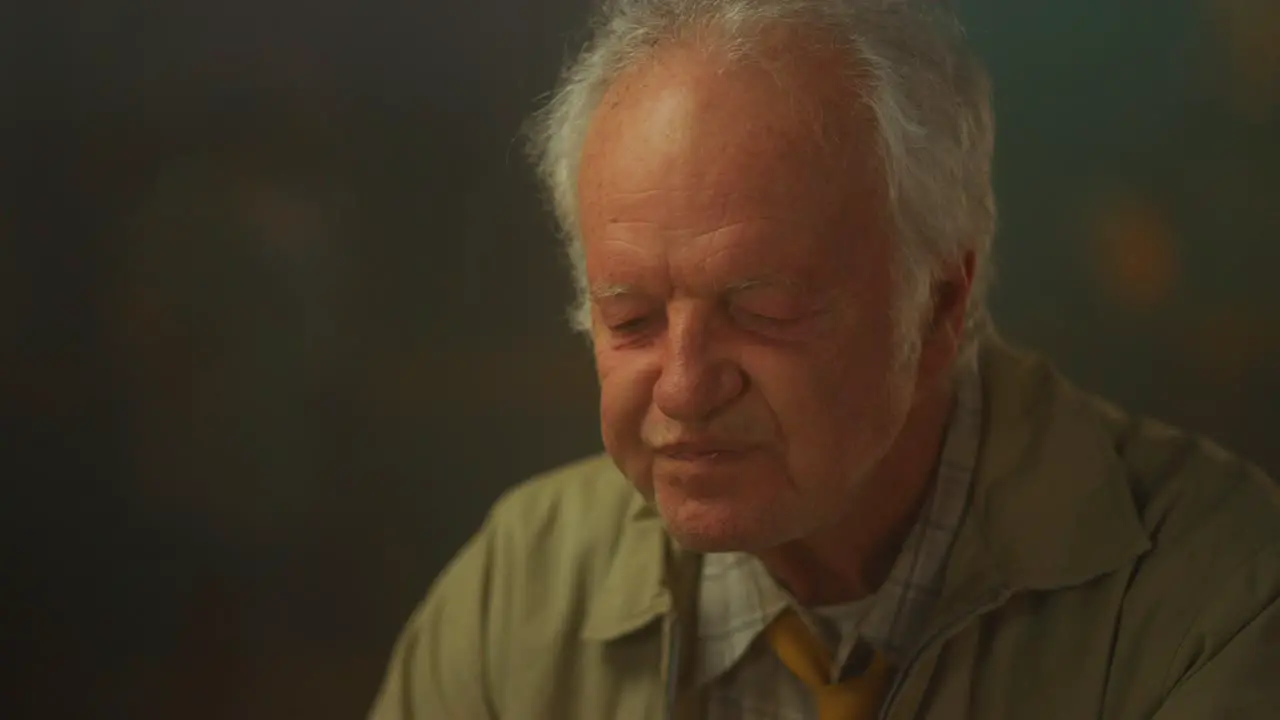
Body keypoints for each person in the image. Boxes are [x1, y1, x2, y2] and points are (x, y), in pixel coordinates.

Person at [368, 1, 1280, 718]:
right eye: (632, 318)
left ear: (939, 304)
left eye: (763, 309)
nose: (685, 388)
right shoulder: (513, 593)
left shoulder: (1218, 601)